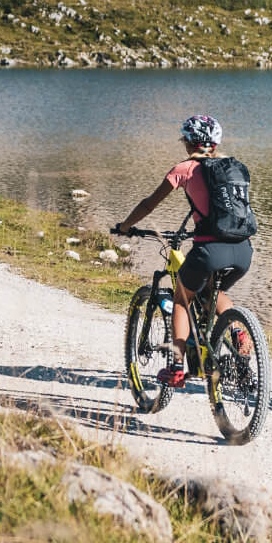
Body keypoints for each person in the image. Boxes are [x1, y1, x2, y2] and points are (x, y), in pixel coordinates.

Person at [112, 114, 253, 387]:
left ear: (189, 142)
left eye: (184, 139)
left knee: (181, 299)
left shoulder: (185, 169)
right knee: (214, 292)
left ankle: (177, 367)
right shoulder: (234, 168)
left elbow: (148, 204)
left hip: (210, 250)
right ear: (215, 143)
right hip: (243, 251)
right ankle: (239, 333)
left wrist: (126, 226)